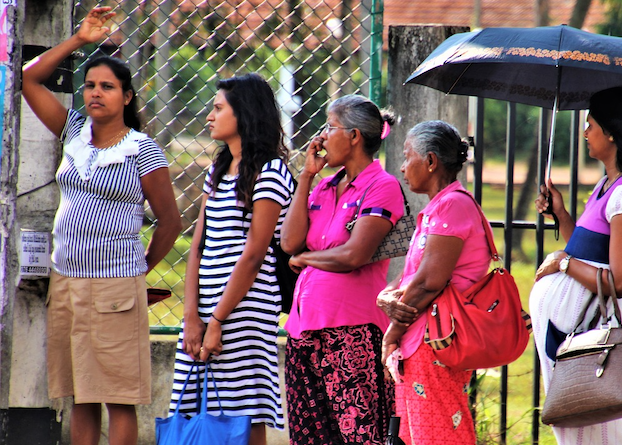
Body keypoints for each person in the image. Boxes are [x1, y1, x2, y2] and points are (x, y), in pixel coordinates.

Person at [20, 7, 181, 445]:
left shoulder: (141, 149)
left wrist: (138, 271)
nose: (95, 93)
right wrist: (78, 41)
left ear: (127, 97)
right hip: (67, 281)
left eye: (107, 87)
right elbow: (29, 78)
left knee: (117, 395)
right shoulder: (73, 130)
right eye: (90, 85)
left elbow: (171, 221)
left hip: (115, 285)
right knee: (80, 395)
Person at [529, 86, 622, 444]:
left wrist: (562, 264)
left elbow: (619, 281)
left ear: (610, 132)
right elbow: (589, 251)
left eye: (589, 124)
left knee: (605, 429)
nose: (585, 132)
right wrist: (561, 213)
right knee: (580, 424)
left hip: (599, 334)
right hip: (578, 333)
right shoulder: (607, 186)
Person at [168, 73, 295, 444]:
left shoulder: (270, 173)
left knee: (243, 413)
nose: (209, 116)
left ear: (243, 115)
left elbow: (254, 256)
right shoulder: (218, 170)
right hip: (205, 306)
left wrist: (217, 320)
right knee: (194, 407)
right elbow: (198, 247)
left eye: (218, 108)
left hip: (245, 309)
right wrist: (192, 315)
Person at [280, 94, 403, 445]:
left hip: (352, 333)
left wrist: (305, 260)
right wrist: (306, 175)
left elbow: (353, 255)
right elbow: (290, 242)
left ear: (353, 136)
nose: (320, 137)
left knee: (360, 435)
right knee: (312, 436)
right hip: (304, 331)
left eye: (329, 127)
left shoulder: (382, 186)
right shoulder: (324, 185)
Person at [378, 120, 491, 445]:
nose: (401, 166)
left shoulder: (453, 206)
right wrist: (385, 297)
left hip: (436, 345)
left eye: (406, 155)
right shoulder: (439, 207)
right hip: (422, 345)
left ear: (430, 161)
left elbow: (429, 281)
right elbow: (411, 276)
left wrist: (391, 335)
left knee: (439, 436)